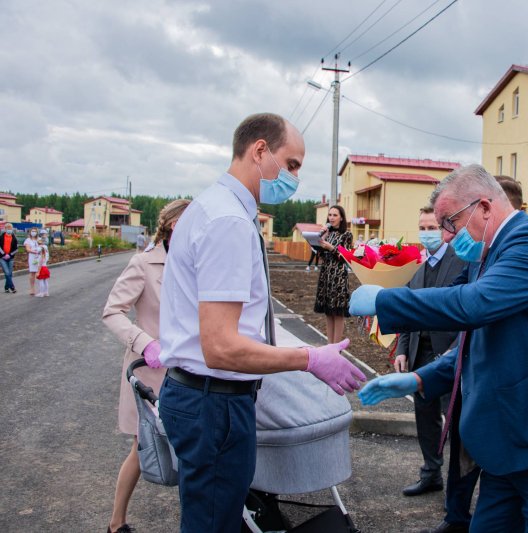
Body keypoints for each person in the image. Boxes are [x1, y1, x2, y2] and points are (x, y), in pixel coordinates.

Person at [351, 163, 528, 532]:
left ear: (485, 207)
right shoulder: (487, 258)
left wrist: (387, 301)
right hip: (512, 444)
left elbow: (473, 305)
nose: (447, 237)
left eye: (450, 222)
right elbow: (477, 340)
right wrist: (420, 379)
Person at [158, 112, 365, 533]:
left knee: (211, 516)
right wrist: (309, 359)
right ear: (259, 151)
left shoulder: (215, 207)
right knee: (213, 523)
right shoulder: (228, 222)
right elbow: (220, 346)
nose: (294, 178)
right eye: (291, 165)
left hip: (201, 395)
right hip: (213, 401)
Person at [101, 199, 190, 533]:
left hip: (189, 370)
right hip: (150, 370)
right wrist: (145, 343)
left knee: (193, 448)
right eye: (185, 220)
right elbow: (112, 311)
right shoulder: (144, 263)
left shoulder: (197, 262)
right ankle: (116, 523)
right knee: (143, 448)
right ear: (169, 224)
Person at [392, 207, 477, 532]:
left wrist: (455, 353)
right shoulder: (416, 263)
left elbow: (461, 307)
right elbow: (408, 307)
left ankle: (457, 496)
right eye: (421, 226)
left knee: (454, 422)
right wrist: (401, 349)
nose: (426, 232)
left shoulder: (460, 258)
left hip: (449, 356)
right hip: (419, 353)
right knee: (424, 418)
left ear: (443, 229)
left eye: (431, 226)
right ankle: (431, 473)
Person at [313, 205, 353, 344]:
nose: (331, 218)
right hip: (326, 275)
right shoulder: (327, 234)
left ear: (341, 218)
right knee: (328, 312)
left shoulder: (346, 235)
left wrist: (331, 248)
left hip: (339, 276)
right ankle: (330, 345)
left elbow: (346, 257)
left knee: (337, 312)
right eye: (330, 215)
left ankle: (336, 347)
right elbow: (321, 256)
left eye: (335, 215)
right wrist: (318, 242)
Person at [23, 227, 41, 295]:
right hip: (32, 257)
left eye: (35, 231)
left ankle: (41, 288)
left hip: (39, 257)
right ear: (30, 232)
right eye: (32, 231)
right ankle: (32, 288)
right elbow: (28, 249)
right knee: (32, 273)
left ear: (37, 232)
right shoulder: (28, 240)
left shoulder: (39, 239)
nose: (34, 232)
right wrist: (34, 251)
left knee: (40, 272)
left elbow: (42, 247)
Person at [1, 223, 18, 293]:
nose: (9, 230)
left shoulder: (14, 238)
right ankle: (12, 287)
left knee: (10, 273)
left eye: (10, 228)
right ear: (5, 229)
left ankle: (6, 287)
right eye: (7, 228)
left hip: (10, 258)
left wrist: (10, 255)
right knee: (7, 273)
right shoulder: (1, 237)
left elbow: (16, 249)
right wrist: (4, 254)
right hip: (2, 258)